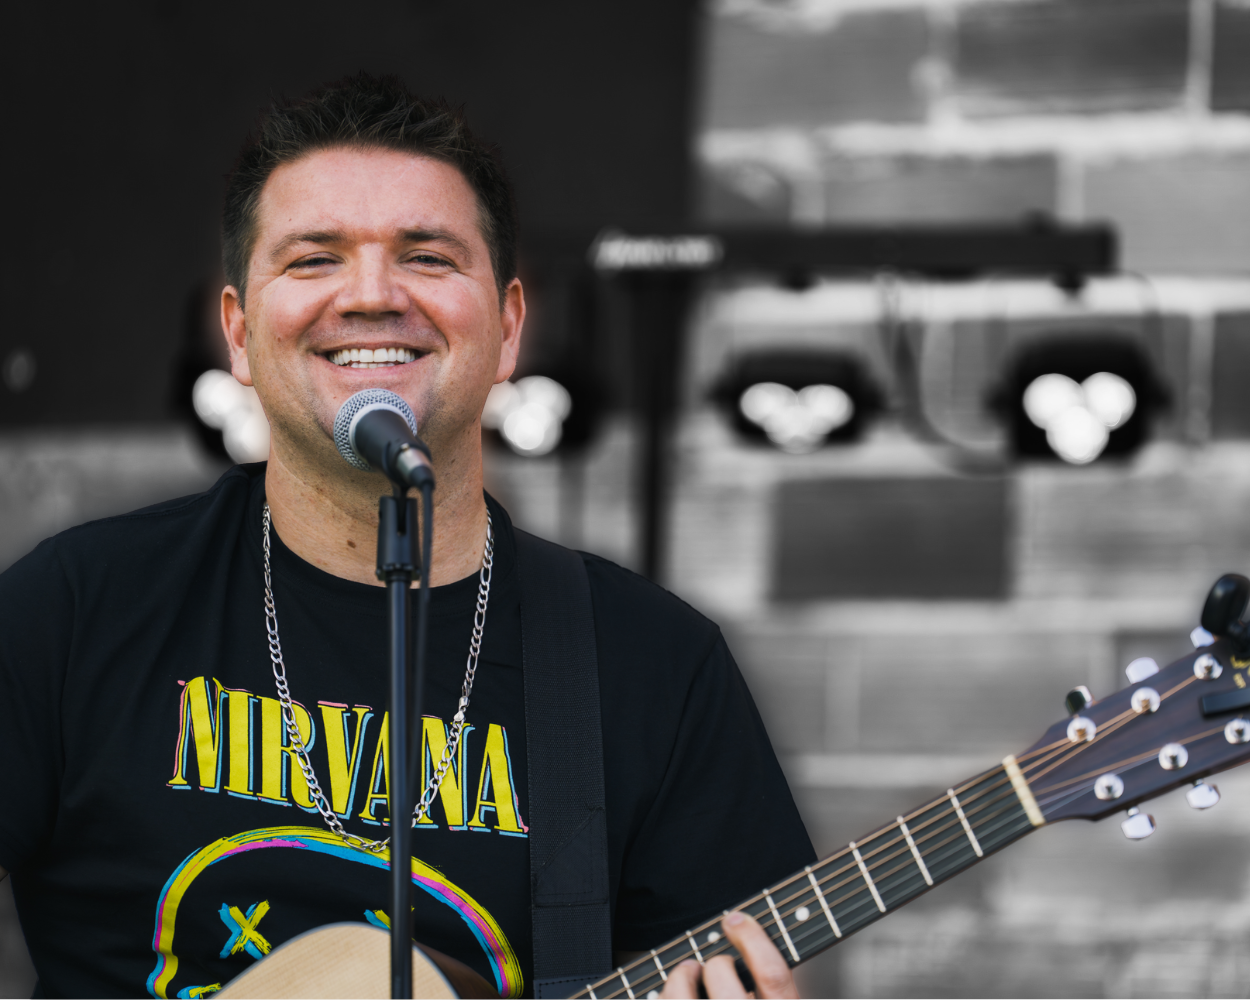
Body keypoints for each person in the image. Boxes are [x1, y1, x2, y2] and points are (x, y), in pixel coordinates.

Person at [0, 74, 810, 999]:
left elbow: (736, 963)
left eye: (427, 257)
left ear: (508, 328)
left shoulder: (656, 667)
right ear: (238, 332)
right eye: (314, 259)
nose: (372, 295)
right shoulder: (77, 609)